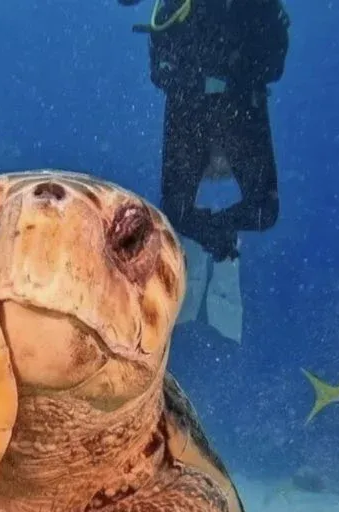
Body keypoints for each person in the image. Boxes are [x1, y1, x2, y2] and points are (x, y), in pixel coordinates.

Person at [118, 0, 290, 343]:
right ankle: (214, 243)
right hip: (199, 106)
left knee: (256, 211)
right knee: (177, 212)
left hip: (229, 106)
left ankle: (209, 240)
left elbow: (273, 60)